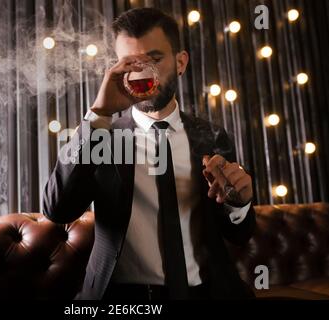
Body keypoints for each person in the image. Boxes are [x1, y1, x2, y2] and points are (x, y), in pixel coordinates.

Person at [43, 7, 256, 300]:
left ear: (180, 63)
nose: (143, 73)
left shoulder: (211, 136)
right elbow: (57, 209)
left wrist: (239, 205)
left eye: (154, 59)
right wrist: (99, 114)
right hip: (122, 300)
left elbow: (239, 235)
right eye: (130, 63)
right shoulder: (106, 137)